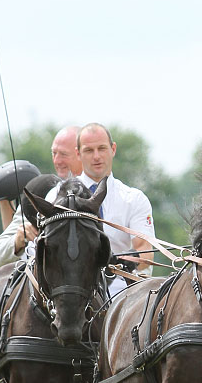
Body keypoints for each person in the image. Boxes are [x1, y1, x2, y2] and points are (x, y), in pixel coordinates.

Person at [43, 122, 156, 295]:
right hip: (71, 293)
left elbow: (145, 252)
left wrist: (123, 261)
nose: (96, 156)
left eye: (102, 149)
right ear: (78, 153)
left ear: (113, 149)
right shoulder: (56, 196)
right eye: (89, 150)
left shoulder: (134, 199)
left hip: (121, 292)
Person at [0, 126, 82, 267]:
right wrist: (18, 240)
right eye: (54, 153)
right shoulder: (41, 193)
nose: (57, 161)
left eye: (63, 154)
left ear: (81, 153)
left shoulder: (108, 195)